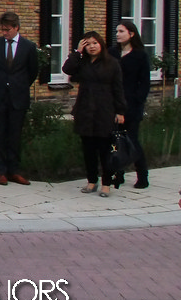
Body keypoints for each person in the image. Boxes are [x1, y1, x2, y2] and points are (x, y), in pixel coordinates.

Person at [62, 31, 126, 197]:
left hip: (105, 110)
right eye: (88, 44)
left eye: (94, 43)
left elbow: (118, 88)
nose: (92, 47)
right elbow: (67, 69)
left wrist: (120, 111)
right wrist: (77, 52)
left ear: (101, 44)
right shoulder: (82, 62)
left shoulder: (112, 63)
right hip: (85, 110)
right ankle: (91, 181)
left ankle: (106, 183)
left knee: (105, 150)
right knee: (88, 150)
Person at [0, 11, 37, 186]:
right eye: (2, 30)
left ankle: (14, 170)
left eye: (7, 30)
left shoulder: (28, 47)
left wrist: (18, 85)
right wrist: (1, 84)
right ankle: (0, 171)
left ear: (16, 28)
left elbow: (32, 72)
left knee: (15, 135)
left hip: (18, 97)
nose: (4, 33)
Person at [110, 21, 151, 188]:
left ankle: (142, 175)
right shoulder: (112, 53)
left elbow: (145, 82)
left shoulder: (140, 55)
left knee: (132, 140)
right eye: (117, 31)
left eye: (121, 31)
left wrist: (137, 100)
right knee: (115, 141)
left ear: (131, 34)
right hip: (113, 105)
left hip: (132, 105)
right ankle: (118, 174)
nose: (117, 34)